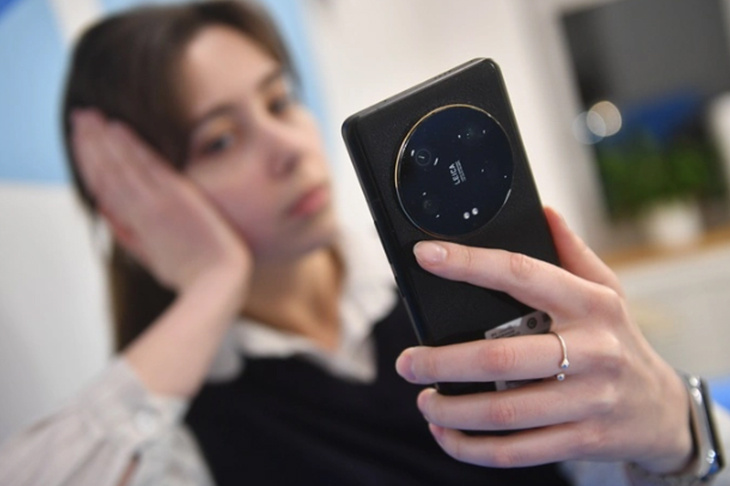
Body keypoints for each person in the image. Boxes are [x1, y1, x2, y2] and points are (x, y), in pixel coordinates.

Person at [0, 1, 728, 485]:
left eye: (279, 100)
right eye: (219, 140)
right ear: (141, 212)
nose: (288, 146)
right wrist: (213, 281)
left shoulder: (466, 297)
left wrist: (678, 426)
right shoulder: (185, 434)